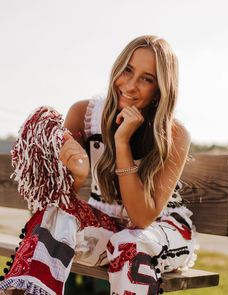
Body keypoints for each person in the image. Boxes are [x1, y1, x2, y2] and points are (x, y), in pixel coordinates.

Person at [0, 35, 197, 295]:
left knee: (131, 244)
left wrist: (122, 143)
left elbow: (141, 219)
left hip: (158, 232)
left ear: (160, 88)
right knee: (58, 216)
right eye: (127, 70)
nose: (130, 85)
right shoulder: (84, 114)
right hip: (108, 226)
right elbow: (56, 201)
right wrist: (78, 174)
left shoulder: (173, 134)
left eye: (147, 79)